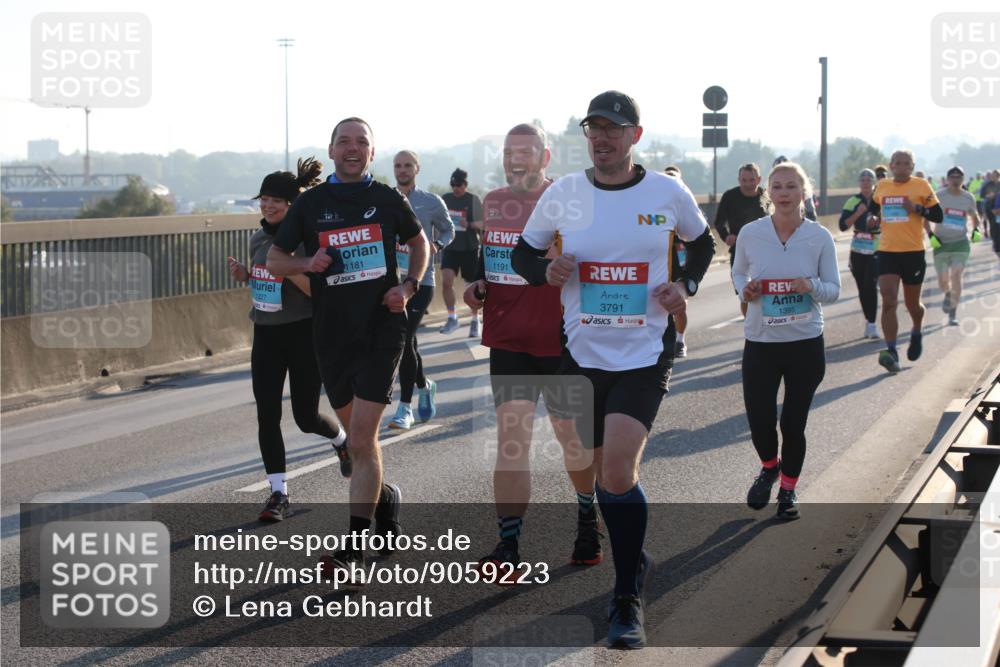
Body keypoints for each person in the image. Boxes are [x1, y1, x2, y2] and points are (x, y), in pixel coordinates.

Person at [512, 91, 716, 649]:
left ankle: (626, 597)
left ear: (635, 136)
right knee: (601, 473)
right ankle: (634, 555)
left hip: (646, 353)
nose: (601, 138)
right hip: (581, 352)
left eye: (613, 129)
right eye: (592, 129)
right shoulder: (565, 195)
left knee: (620, 470)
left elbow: (704, 246)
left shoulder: (667, 192)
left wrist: (685, 285)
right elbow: (522, 256)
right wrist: (546, 269)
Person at [266, 117, 430, 581]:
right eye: (345, 142)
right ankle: (385, 499)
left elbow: (422, 245)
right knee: (362, 446)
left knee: (360, 438)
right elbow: (276, 260)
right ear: (332, 150)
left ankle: (353, 551)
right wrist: (307, 262)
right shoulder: (312, 203)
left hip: (382, 328)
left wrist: (409, 286)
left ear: (371, 153)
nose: (353, 148)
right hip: (332, 335)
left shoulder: (386, 199)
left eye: (362, 142)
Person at [462, 123, 601, 578]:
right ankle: (507, 545)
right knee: (511, 442)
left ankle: (586, 516)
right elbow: (494, 261)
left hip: (561, 340)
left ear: (545, 157)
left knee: (572, 442)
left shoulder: (570, 200)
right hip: (508, 340)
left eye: (526, 150)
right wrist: (479, 284)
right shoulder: (494, 202)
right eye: (508, 151)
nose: (515, 157)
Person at [227, 158, 349, 522]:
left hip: (302, 333)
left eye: (275, 201)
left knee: (305, 417)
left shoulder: (308, 242)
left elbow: (319, 291)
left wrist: (292, 264)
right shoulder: (257, 238)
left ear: (292, 205)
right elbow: (264, 283)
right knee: (267, 414)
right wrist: (247, 274)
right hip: (265, 331)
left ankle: (342, 442)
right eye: (263, 199)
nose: (267, 205)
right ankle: (278, 494)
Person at [733, 162, 840, 520]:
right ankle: (769, 467)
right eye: (777, 187)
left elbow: (834, 291)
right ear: (769, 193)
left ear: (803, 192)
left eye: (791, 186)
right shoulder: (751, 233)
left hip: (805, 344)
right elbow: (739, 272)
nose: (783, 193)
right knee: (760, 419)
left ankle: (789, 492)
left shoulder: (819, 237)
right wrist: (745, 290)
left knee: (793, 424)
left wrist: (811, 286)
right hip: (761, 342)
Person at [387, 150, 455, 430]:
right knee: (408, 341)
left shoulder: (430, 202)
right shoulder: (385, 198)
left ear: (417, 169)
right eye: (398, 166)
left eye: (407, 166)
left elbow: (449, 230)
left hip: (421, 281)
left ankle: (405, 408)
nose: (402, 170)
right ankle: (425, 385)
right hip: (392, 281)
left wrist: (436, 246)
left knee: (403, 340)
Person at [868, 149, 943, 374]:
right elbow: (873, 209)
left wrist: (917, 208)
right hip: (888, 251)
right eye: (897, 163)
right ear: (891, 166)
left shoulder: (921, 186)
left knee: (912, 305)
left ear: (912, 166)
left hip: (913, 252)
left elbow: (938, 215)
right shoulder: (882, 186)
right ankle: (891, 350)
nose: (901, 166)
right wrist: (872, 220)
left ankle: (916, 330)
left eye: (906, 163)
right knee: (889, 300)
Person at [928, 166, 981, 326]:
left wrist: (976, 228)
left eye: (959, 176)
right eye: (953, 176)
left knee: (956, 275)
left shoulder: (968, 197)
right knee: (943, 281)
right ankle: (948, 293)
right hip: (941, 243)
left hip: (960, 242)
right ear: (948, 179)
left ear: (963, 179)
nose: (956, 179)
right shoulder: (938, 196)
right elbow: (926, 216)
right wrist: (930, 235)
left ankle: (953, 312)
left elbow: (974, 215)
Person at [714, 163, 769, 317]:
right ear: (739, 180)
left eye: (751, 180)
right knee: (745, 293)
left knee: (765, 292)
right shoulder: (730, 196)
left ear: (759, 179)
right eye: (744, 180)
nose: (748, 184)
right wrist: (726, 236)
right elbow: (719, 221)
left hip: (765, 251)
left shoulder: (767, 196)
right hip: (740, 251)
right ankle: (749, 324)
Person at [440, 168, 484, 337]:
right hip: (451, 248)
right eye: (453, 184)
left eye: (458, 185)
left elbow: (482, 223)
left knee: (471, 286)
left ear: (465, 185)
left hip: (470, 248)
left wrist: (470, 225)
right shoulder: (445, 199)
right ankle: (452, 317)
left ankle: (475, 320)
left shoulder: (473, 200)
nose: (455, 188)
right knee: (446, 281)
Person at [838, 168, 881, 338]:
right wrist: (858, 213)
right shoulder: (853, 201)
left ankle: (872, 324)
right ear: (859, 183)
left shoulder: (879, 199)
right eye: (862, 180)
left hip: (876, 248)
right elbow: (842, 226)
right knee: (862, 288)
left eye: (868, 180)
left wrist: (879, 220)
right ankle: (868, 320)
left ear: (873, 183)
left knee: (871, 285)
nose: (865, 183)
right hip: (857, 249)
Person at [665, 165, 689, 356]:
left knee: (679, 304)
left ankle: (680, 340)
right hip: (660, 263)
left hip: (681, 263)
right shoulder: (653, 204)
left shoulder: (687, 204)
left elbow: (700, 238)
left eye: (675, 178)